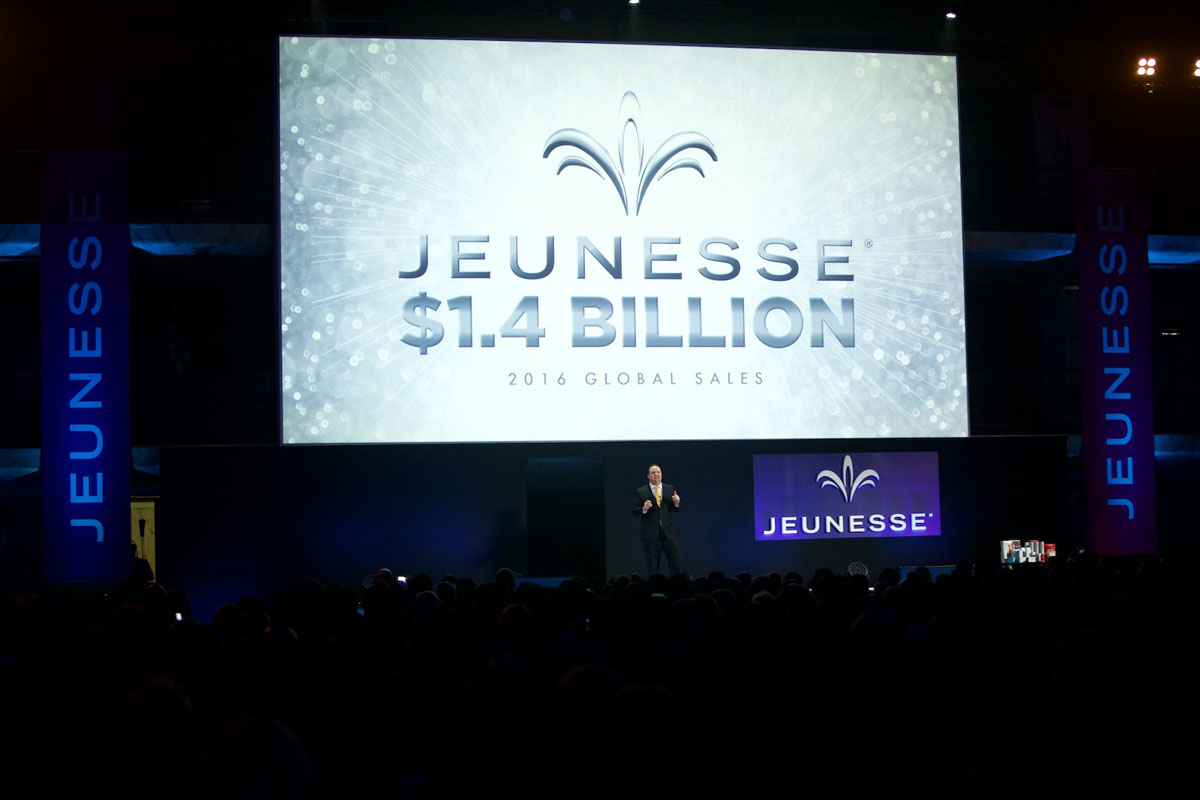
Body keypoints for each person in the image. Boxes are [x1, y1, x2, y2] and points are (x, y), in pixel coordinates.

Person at [633, 464, 684, 577]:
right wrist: (643, 509)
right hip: (651, 534)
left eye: (658, 472)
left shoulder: (670, 489)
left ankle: (679, 585)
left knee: (676, 564)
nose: (656, 474)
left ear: (661, 474)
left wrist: (676, 503)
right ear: (648, 476)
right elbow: (634, 511)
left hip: (668, 533)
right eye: (653, 472)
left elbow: (676, 509)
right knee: (653, 567)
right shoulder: (641, 492)